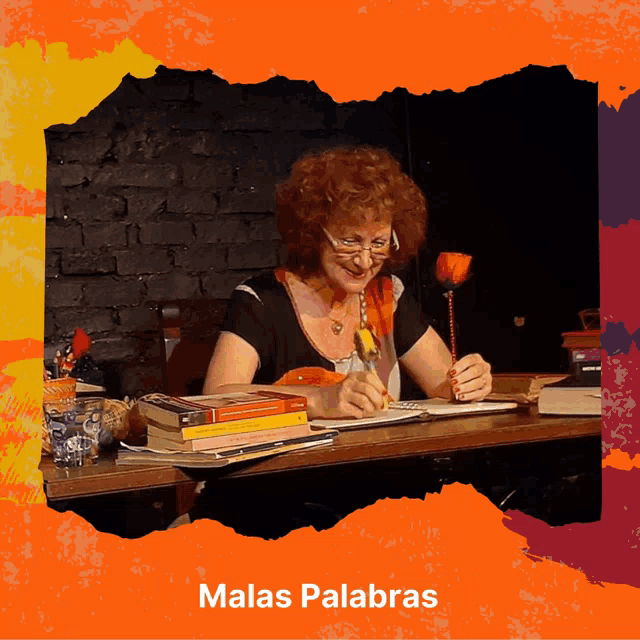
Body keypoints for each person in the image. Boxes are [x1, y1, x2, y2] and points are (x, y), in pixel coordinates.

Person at [204, 146, 492, 414]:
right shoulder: (262, 300)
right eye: (350, 241)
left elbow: (444, 387)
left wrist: (468, 382)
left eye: (379, 243)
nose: (365, 261)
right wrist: (317, 399)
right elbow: (214, 397)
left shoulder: (387, 295)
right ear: (315, 231)